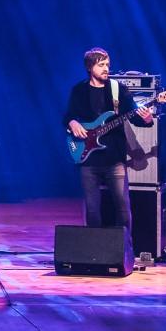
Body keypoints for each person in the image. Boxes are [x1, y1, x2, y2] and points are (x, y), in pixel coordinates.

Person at [64, 48, 153, 240]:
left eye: (107, 65)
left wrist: (146, 120)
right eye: (101, 65)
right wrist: (72, 122)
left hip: (114, 159)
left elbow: (134, 116)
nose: (106, 68)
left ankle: (125, 248)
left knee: (122, 207)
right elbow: (68, 116)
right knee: (92, 209)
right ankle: (94, 248)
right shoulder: (79, 90)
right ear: (90, 67)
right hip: (88, 159)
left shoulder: (118, 89)